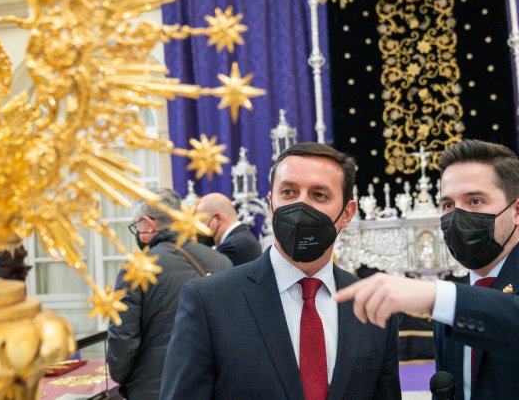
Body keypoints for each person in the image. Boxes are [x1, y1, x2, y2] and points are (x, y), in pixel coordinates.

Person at [333, 140, 519, 399]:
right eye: (448, 204)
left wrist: (437, 297)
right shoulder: (457, 299)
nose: (457, 215)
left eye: (475, 201)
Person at [160, 143, 401, 400]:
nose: (301, 206)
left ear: (347, 214)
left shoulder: (372, 308)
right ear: (270, 203)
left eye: (319, 195)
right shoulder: (209, 301)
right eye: (288, 192)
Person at [106, 188, 231, 400]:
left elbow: (124, 336)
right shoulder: (221, 261)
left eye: (137, 225)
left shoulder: (138, 268)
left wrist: (121, 375)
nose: (137, 231)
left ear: (148, 223)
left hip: (157, 387)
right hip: (213, 384)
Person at [196, 192, 263, 266]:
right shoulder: (243, 237)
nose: (200, 229)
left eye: (202, 222)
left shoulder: (231, 247)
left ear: (218, 218)